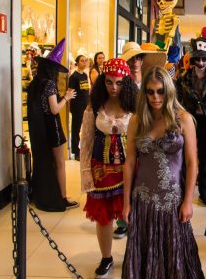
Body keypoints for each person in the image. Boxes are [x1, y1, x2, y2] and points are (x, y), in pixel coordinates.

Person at [122, 66, 204, 278]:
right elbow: (130, 162)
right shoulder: (137, 120)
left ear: (169, 91)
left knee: (175, 254)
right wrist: (126, 203)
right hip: (143, 201)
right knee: (144, 252)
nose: (155, 97)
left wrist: (188, 201)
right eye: (150, 91)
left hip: (172, 202)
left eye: (160, 91)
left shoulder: (183, 119)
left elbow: (192, 162)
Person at [79, 58, 135, 277]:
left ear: (127, 82)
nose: (113, 87)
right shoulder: (94, 105)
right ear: (103, 81)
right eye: (109, 82)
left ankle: (134, 255)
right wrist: (86, 173)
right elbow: (86, 141)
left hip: (130, 169)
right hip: (100, 169)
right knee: (103, 217)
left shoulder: (135, 104)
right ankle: (106, 257)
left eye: (119, 83)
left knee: (133, 215)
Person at [111, 41, 166, 239]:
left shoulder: (151, 81)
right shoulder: (120, 84)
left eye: (139, 57)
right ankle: (123, 219)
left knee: (148, 174)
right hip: (125, 135)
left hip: (151, 133)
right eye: (132, 58)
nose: (135, 62)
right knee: (125, 174)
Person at [27, 38, 79, 211]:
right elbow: (54, 109)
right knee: (59, 163)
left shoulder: (35, 83)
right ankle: (62, 197)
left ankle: (45, 193)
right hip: (53, 128)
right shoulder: (49, 84)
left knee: (44, 161)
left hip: (41, 129)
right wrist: (67, 97)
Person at [177, 37, 206, 207]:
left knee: (205, 157)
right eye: (198, 58)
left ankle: (203, 192)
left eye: (204, 58)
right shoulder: (183, 78)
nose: (201, 62)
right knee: (185, 155)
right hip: (188, 120)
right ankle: (183, 189)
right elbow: (178, 101)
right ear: (193, 60)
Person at [68, 54, 90, 160]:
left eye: (85, 61)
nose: (84, 63)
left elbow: (86, 90)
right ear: (77, 62)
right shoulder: (74, 76)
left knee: (84, 128)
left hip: (85, 104)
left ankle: (83, 149)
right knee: (76, 128)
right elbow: (70, 92)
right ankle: (75, 151)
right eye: (82, 61)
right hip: (77, 105)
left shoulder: (85, 75)